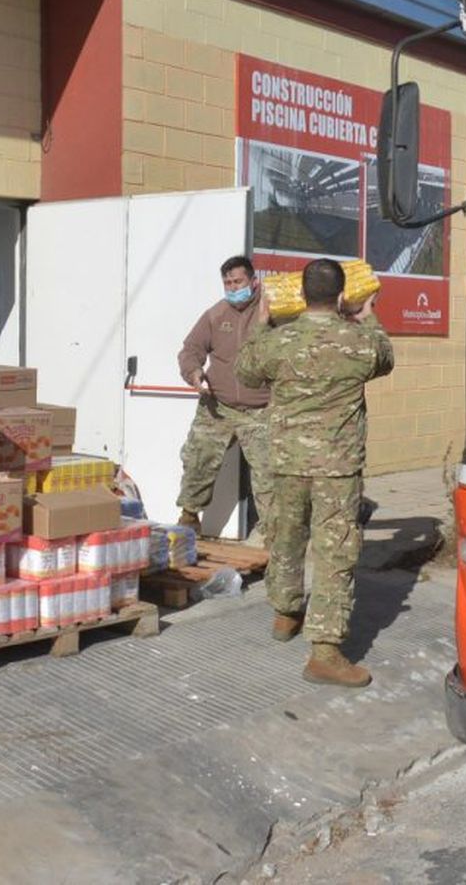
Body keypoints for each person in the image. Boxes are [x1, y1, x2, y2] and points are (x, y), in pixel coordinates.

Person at [236, 258, 395, 687]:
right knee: (334, 552)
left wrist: (262, 322)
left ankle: (286, 613)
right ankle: (324, 652)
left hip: (286, 462)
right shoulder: (360, 342)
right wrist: (368, 315)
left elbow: (246, 369)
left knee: (285, 538)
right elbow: (386, 358)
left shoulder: (281, 341)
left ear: (302, 296)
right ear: (342, 296)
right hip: (337, 468)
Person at [175, 255, 273, 536]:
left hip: (262, 408)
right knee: (198, 460)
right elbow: (190, 350)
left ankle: (274, 534)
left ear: (253, 282)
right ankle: (189, 518)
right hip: (218, 405)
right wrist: (194, 373)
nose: (232, 288)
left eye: (238, 281)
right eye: (228, 283)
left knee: (270, 474)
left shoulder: (273, 311)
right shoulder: (216, 314)